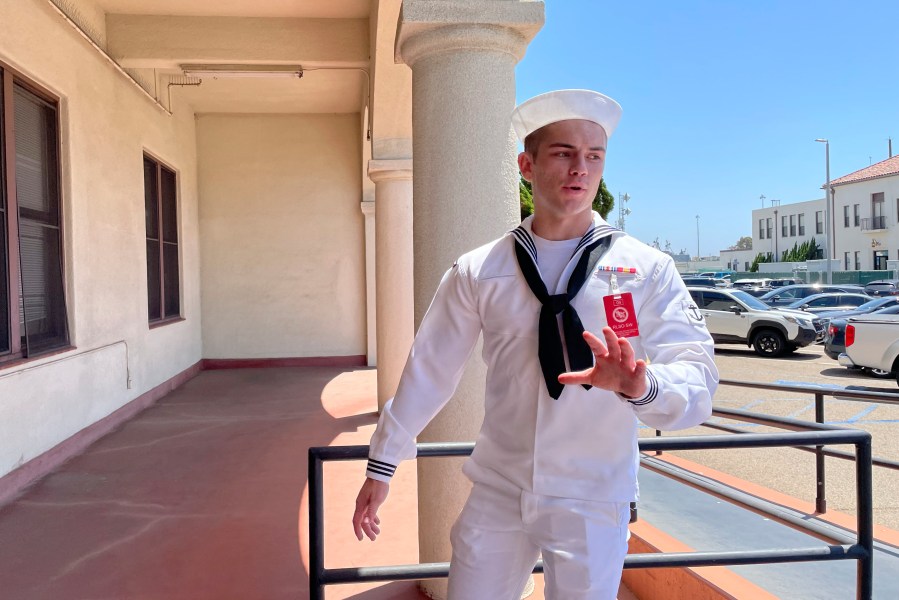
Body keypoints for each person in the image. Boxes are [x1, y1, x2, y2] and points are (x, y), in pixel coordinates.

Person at [352, 89, 718, 600]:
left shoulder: (645, 269)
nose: (580, 169)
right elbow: (430, 369)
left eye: (594, 157)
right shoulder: (481, 270)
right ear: (526, 164)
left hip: (593, 494)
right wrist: (383, 460)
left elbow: (698, 376)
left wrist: (644, 386)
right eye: (563, 153)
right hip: (499, 488)